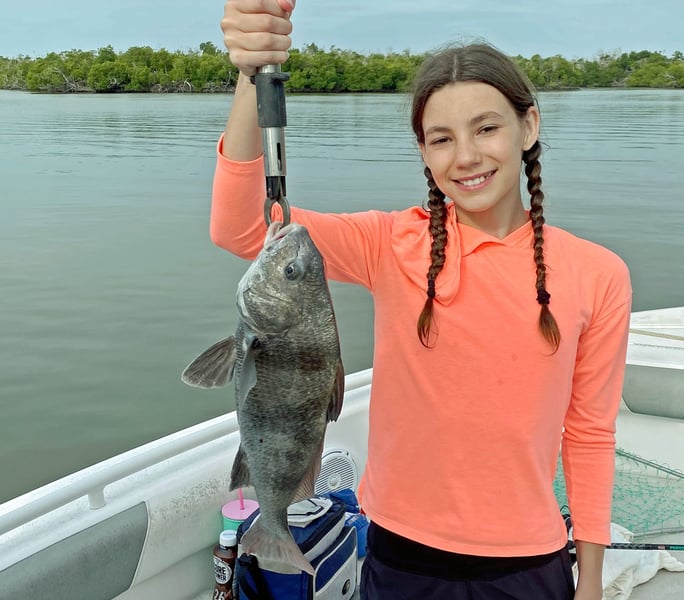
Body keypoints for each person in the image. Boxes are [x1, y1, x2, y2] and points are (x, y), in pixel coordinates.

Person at [211, 1, 632, 598]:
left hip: (528, 562)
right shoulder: (390, 243)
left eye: (486, 128)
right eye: (441, 139)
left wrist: (589, 581)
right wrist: (250, 75)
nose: (466, 156)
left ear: (529, 127)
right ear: (424, 152)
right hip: (399, 553)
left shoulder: (600, 274)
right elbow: (240, 227)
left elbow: (589, 435)